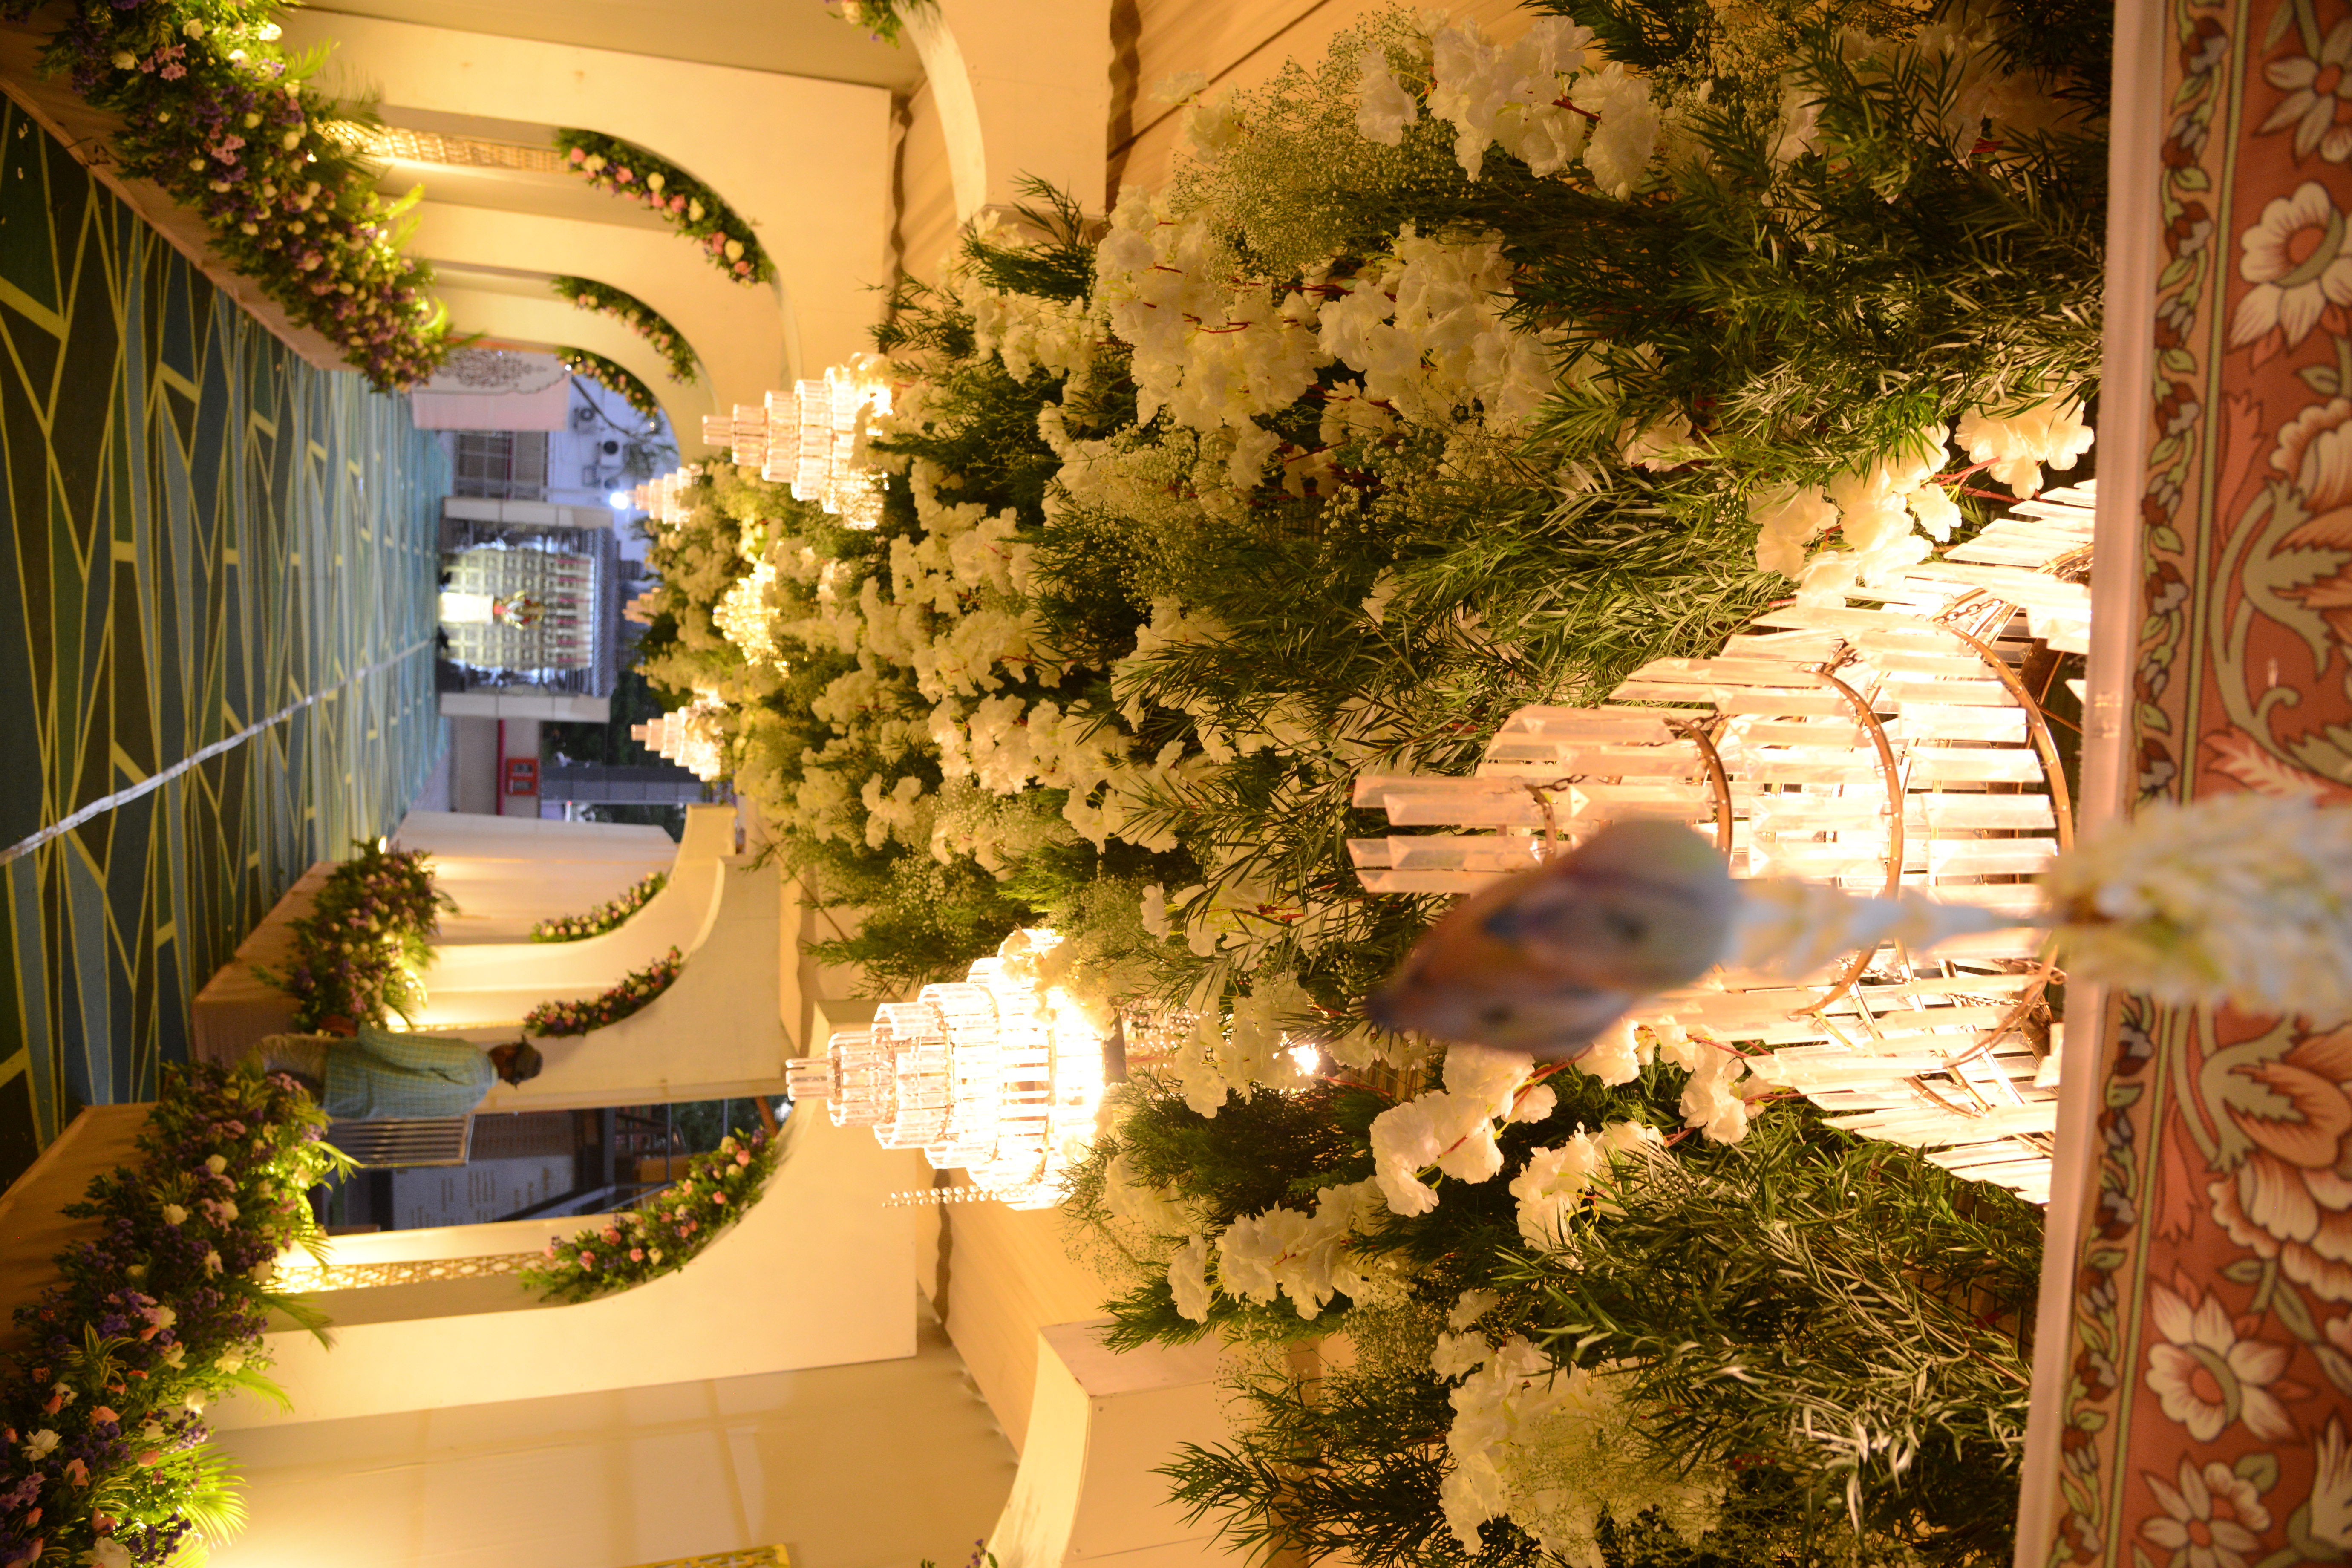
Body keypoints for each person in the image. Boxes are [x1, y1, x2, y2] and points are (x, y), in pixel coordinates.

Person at [250, 1028, 542, 1120]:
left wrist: (358, 1030)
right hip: (349, 1102)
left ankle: (228, 1083)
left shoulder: (470, 1058)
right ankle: (222, 1099)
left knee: (272, 1050)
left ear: (509, 1054)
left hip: (349, 1067)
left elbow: (405, 1051)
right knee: (271, 1101)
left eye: (512, 1045)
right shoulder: (471, 1102)